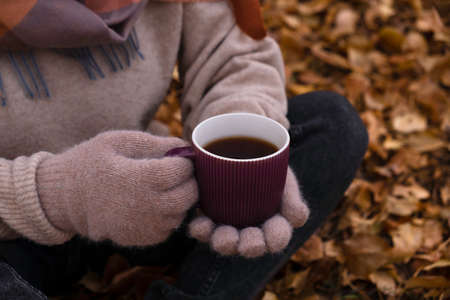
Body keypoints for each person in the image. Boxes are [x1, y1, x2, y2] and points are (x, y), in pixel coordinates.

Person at [0, 0, 368, 299]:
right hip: (13, 232)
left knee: (332, 123)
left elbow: (233, 59)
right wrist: (56, 193)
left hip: (145, 196)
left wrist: (237, 156)